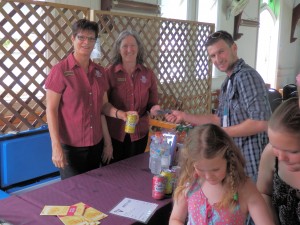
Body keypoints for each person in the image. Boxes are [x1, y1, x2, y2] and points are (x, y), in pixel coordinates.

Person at [166, 30, 271, 182]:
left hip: (252, 164)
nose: (217, 59)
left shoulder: (246, 76)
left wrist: (221, 133)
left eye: (221, 52)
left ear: (234, 48)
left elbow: (261, 122)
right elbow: (218, 119)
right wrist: (184, 116)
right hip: (235, 161)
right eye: (212, 56)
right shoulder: (227, 82)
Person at [45, 19, 134, 179]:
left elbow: (104, 106)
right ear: (73, 39)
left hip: (96, 145)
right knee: (73, 194)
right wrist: (55, 145)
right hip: (71, 148)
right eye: (81, 37)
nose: (86, 42)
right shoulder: (60, 71)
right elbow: (51, 110)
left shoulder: (100, 72)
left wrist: (119, 114)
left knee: (93, 191)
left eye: (91, 38)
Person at [169, 124, 274, 225]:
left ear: (229, 159)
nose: (209, 176)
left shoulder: (244, 188)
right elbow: (175, 219)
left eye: (215, 169)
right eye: (200, 169)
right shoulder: (190, 182)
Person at [105, 30, 161, 163]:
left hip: (140, 134)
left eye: (133, 45)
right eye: (124, 46)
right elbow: (103, 105)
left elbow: (152, 102)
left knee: (135, 170)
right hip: (115, 133)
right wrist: (121, 114)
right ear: (118, 49)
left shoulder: (148, 74)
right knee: (114, 173)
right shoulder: (109, 73)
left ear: (139, 48)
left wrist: (154, 108)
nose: (129, 49)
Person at [257, 97, 300, 225]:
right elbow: (263, 192)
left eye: (293, 151)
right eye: (275, 146)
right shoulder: (270, 154)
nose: (280, 157)